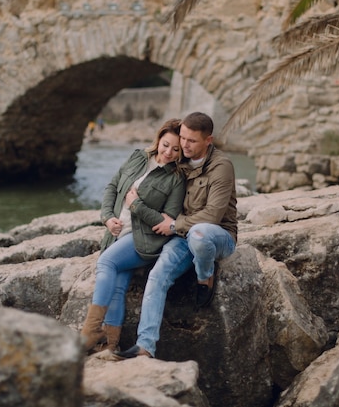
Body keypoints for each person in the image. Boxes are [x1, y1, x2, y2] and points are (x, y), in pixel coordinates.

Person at [115, 111, 238, 359]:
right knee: (158, 276)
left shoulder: (221, 167)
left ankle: (205, 276)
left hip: (218, 235)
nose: (184, 145)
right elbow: (149, 168)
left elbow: (213, 215)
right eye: (182, 137)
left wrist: (172, 226)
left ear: (208, 141)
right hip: (182, 236)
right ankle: (145, 346)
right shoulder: (178, 161)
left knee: (199, 234)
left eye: (191, 141)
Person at [80, 118, 186, 354]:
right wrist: (107, 217)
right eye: (166, 144)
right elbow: (112, 186)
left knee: (106, 262)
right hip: (117, 234)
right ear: (159, 139)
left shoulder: (176, 179)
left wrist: (136, 205)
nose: (168, 152)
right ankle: (110, 345)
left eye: (176, 149)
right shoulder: (138, 157)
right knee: (118, 284)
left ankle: (90, 331)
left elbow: (165, 222)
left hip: (144, 240)